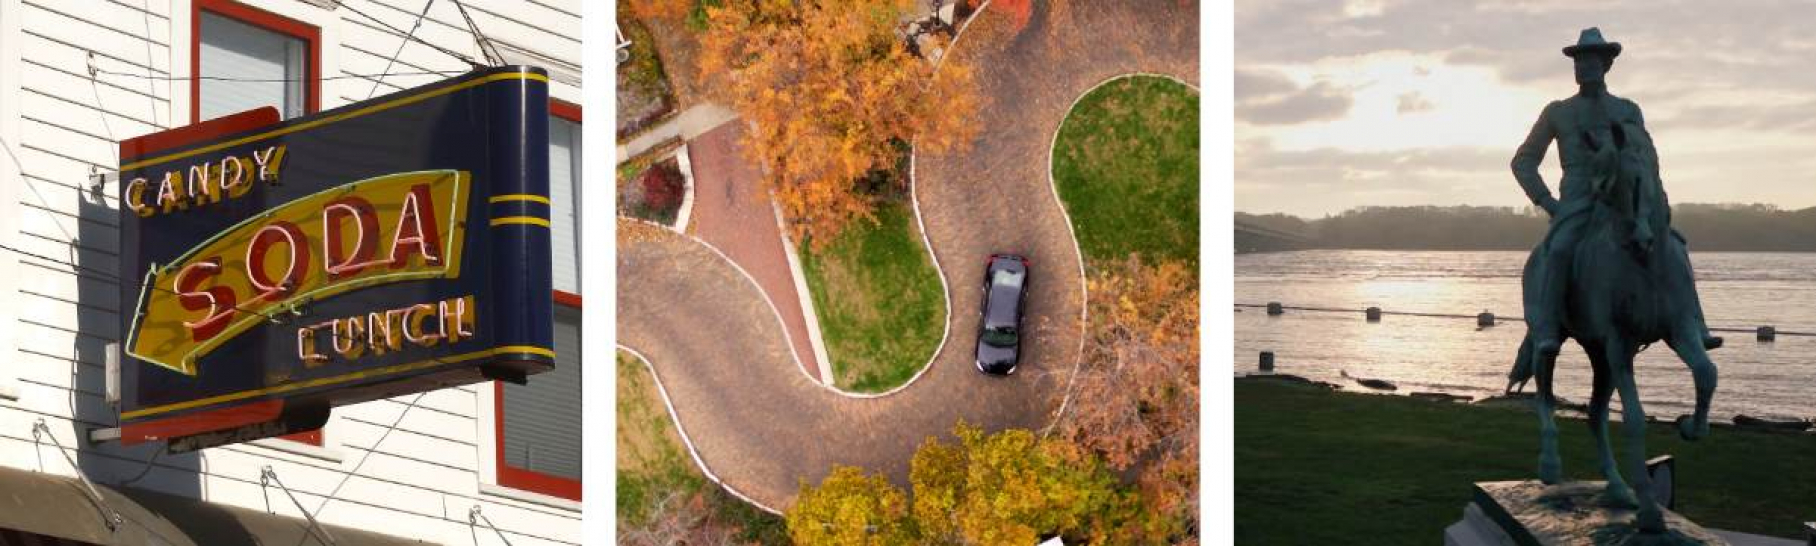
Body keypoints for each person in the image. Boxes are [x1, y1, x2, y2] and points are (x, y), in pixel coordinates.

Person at [1512, 27, 1716, 361]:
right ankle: (1546, 329)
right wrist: (1548, 202)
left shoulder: (1627, 110)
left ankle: (1693, 323)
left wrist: (1656, 205)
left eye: (1591, 60)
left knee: (1675, 246)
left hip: (1624, 202)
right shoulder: (1557, 112)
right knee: (1560, 250)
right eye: (1579, 61)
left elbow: (1646, 160)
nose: (1584, 67)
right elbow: (1523, 162)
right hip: (1578, 204)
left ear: (1606, 64)